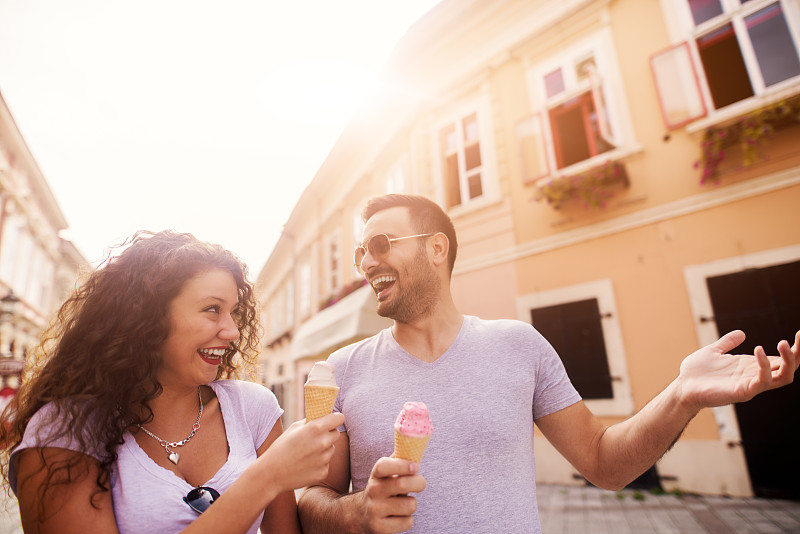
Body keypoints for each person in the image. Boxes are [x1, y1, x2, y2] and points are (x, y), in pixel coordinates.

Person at [297, 194, 800, 534]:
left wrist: (682, 393)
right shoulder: (342, 370)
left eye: (381, 245)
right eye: (362, 251)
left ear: (436, 248)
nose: (365, 262)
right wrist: (356, 512)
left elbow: (604, 464)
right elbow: (312, 502)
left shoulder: (519, 346)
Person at [0, 230, 344, 533]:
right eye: (212, 309)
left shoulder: (254, 407)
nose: (233, 330)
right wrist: (266, 477)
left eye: (234, 312)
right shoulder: (65, 429)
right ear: (144, 317)